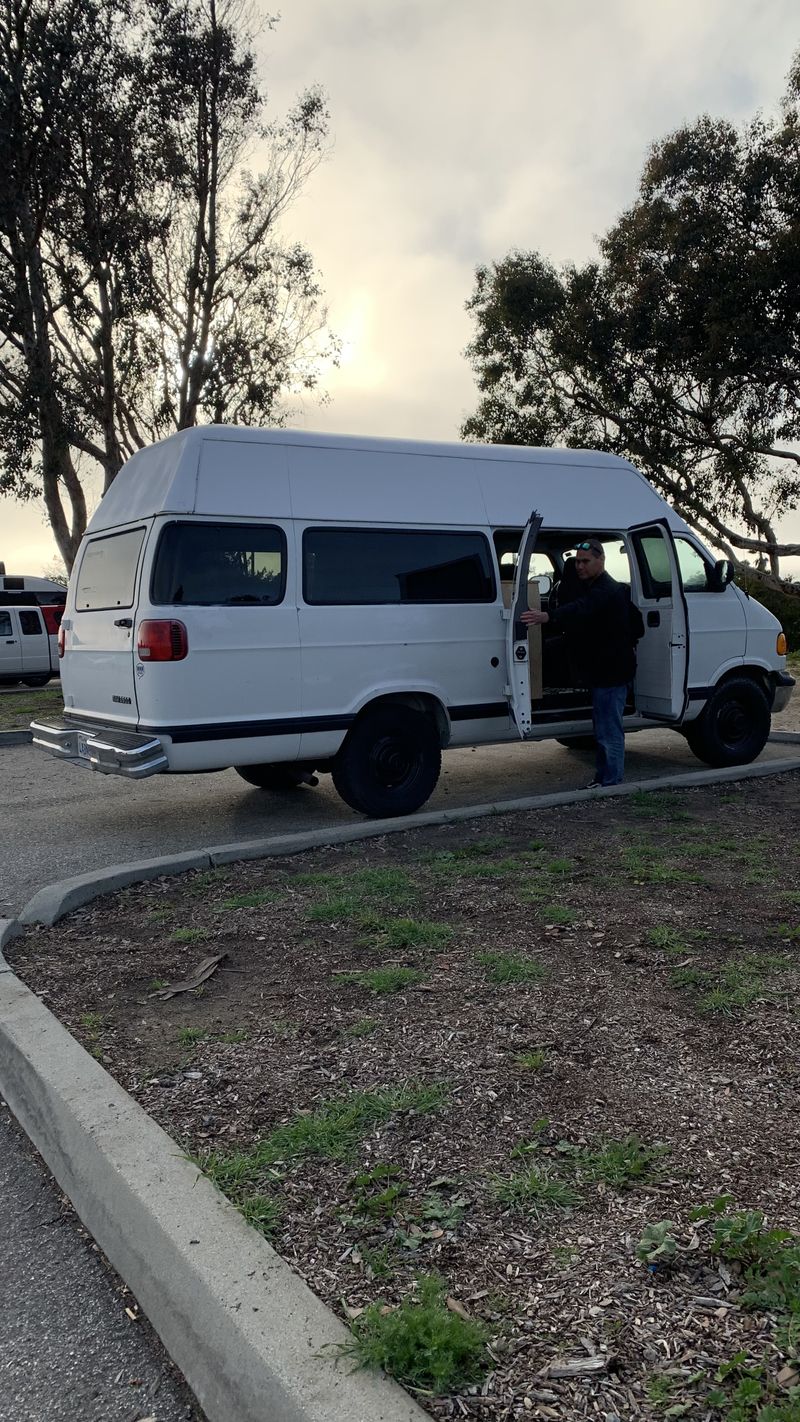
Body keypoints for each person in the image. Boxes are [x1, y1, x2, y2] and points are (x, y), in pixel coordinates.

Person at [521, 537, 639, 787]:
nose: (579, 567)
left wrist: (547, 616)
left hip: (613, 673)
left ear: (601, 560)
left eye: (585, 562)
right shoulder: (596, 587)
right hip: (603, 672)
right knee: (603, 728)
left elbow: (582, 608)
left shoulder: (608, 589)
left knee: (609, 731)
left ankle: (611, 782)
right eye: (577, 562)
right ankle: (604, 778)